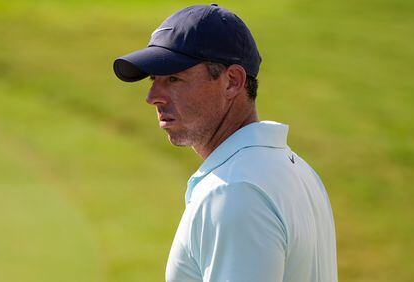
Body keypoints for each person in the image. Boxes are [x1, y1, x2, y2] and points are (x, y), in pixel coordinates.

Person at [113, 4, 337, 282]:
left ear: (231, 81)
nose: (152, 97)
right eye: (153, 79)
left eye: (173, 78)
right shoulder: (298, 171)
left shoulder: (234, 191)